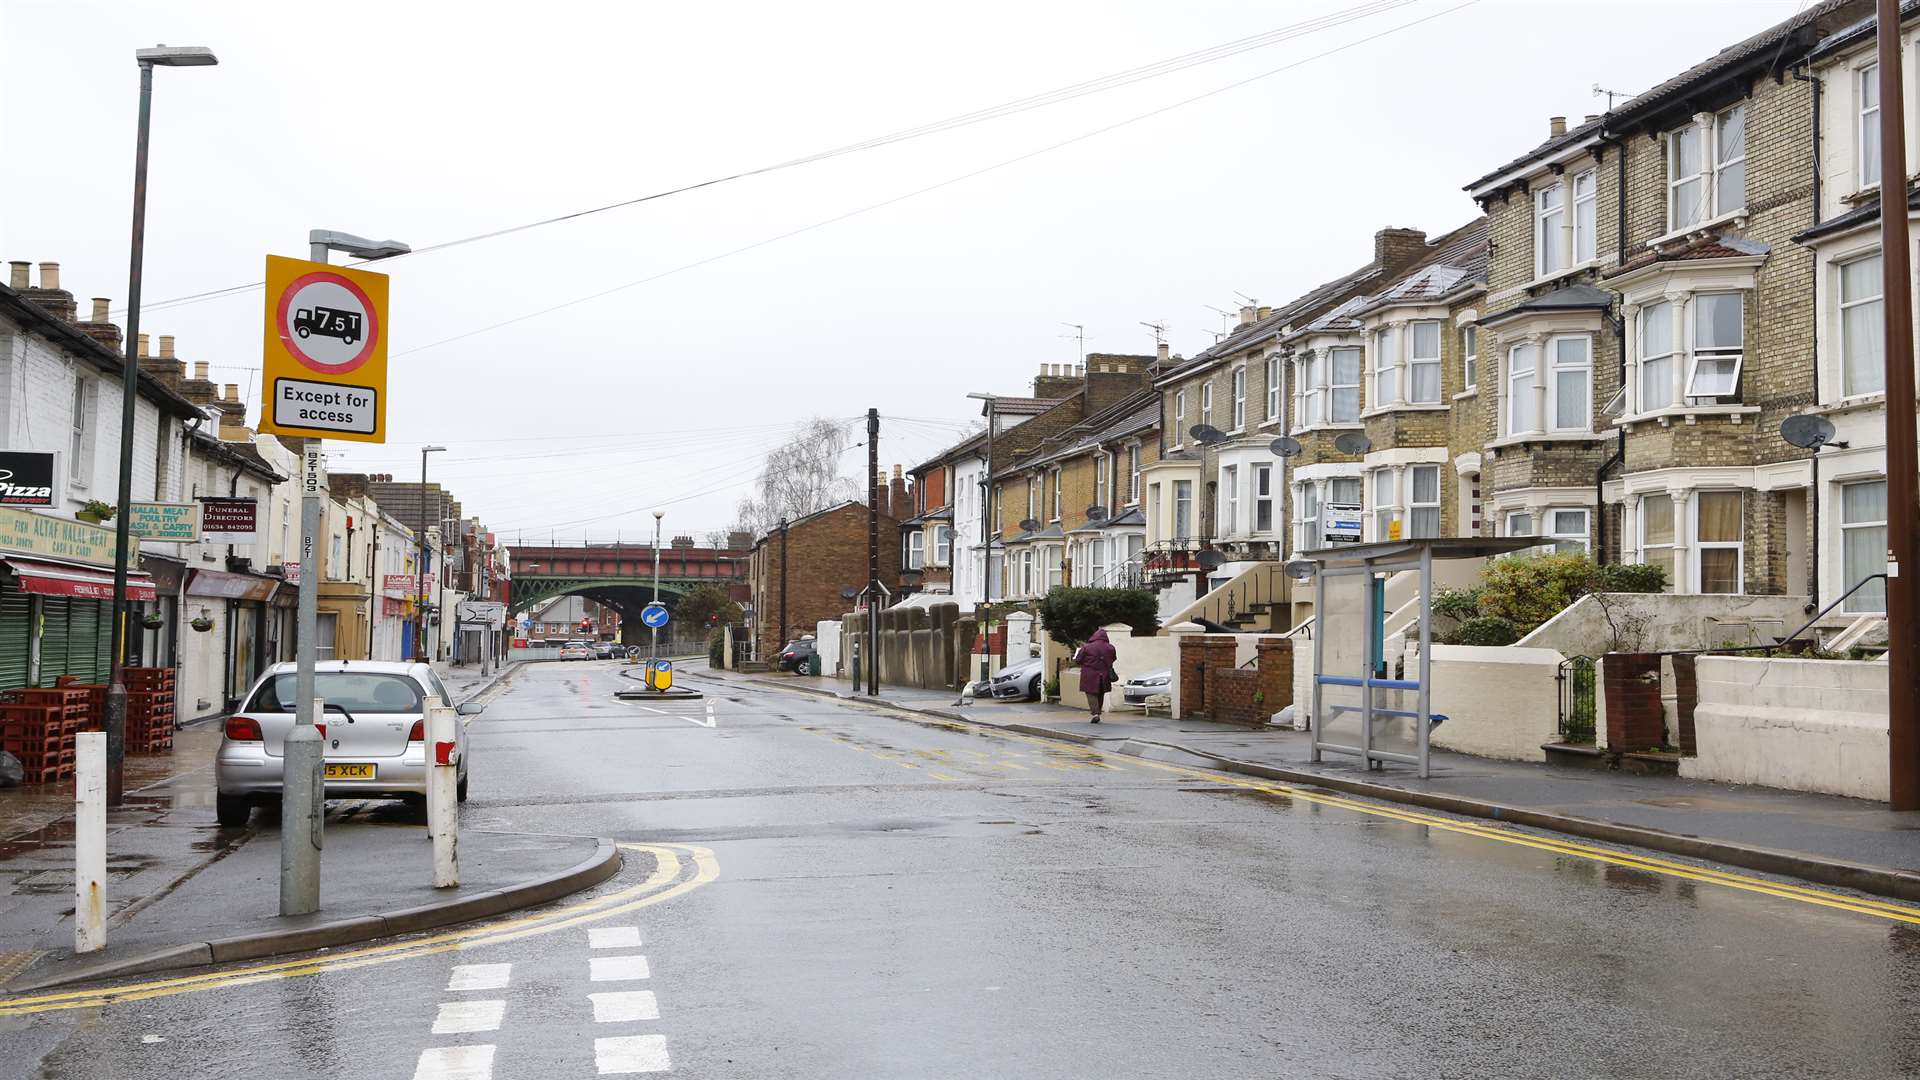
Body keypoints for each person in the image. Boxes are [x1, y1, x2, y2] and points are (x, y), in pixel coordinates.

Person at [1073, 628, 1118, 724]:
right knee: (1100, 693)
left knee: (1090, 693)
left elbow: (1078, 660)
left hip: (1089, 674)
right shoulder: (1110, 647)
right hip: (1104, 674)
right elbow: (1113, 659)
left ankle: (1095, 714)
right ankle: (1098, 712)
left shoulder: (1087, 647)